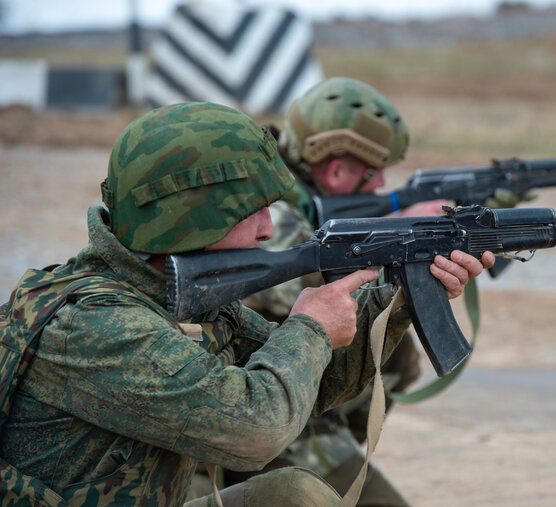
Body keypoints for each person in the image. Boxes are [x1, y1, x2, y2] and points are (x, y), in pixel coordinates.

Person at [0, 101, 494, 506]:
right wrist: (310, 327)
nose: (266, 228)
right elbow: (255, 432)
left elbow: (317, 383)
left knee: (293, 496)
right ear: (191, 219)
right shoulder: (93, 325)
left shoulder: (174, 296)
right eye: (251, 211)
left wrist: (402, 294)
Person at [235, 77, 517, 506]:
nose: (383, 183)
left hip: (292, 400)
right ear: (337, 171)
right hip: (249, 417)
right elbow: (311, 291)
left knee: (399, 359)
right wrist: (399, 236)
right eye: (374, 173)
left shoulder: (291, 200)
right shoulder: (274, 219)